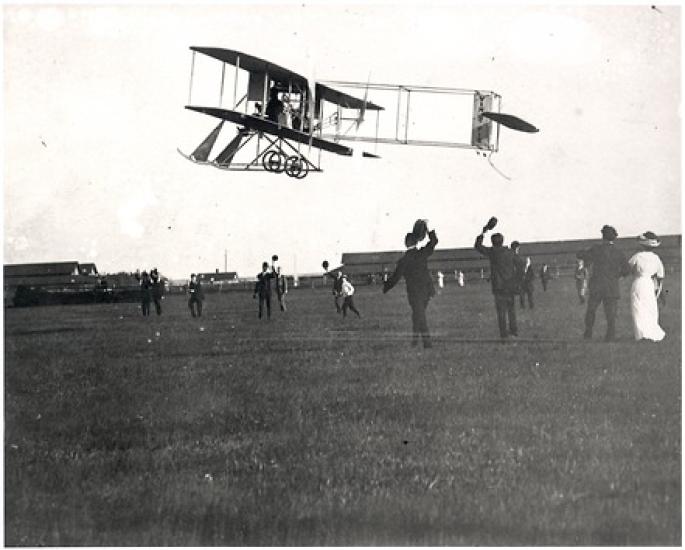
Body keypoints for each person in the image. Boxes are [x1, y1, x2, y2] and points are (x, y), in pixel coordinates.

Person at [383, 224, 438, 348]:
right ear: (416, 241)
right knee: (417, 315)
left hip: (414, 293)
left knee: (419, 315)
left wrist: (386, 286)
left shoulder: (404, 260)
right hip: (428, 291)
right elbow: (434, 241)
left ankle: (427, 344)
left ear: (406, 243)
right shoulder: (422, 253)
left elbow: (395, 278)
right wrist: (428, 228)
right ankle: (415, 341)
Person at [577, 225, 630, 342]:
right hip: (612, 286)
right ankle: (610, 336)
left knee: (591, 310)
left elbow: (580, 254)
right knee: (611, 314)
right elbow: (627, 270)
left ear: (602, 236)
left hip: (596, 285)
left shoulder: (596, 249)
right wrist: (617, 276)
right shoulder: (619, 252)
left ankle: (588, 333)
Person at [475, 223, 526, 339]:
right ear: (502, 241)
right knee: (511, 310)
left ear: (492, 242)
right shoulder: (510, 252)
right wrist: (517, 279)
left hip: (498, 287)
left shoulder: (492, 252)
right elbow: (521, 265)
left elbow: (477, 246)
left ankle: (504, 335)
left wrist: (483, 232)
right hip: (510, 285)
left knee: (501, 312)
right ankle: (514, 332)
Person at [628, 232, 666, 342]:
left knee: (638, 307)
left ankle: (641, 334)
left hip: (639, 283)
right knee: (650, 307)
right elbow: (660, 275)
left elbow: (627, 267)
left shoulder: (637, 256)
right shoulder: (656, 258)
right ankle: (651, 331)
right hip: (649, 284)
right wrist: (659, 289)